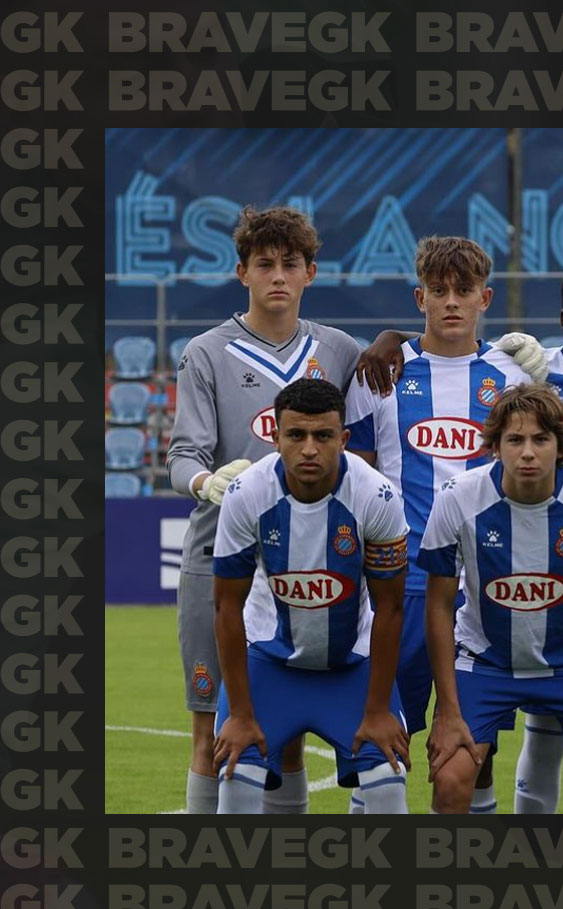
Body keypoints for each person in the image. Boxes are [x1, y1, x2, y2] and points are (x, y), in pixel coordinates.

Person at [166, 205, 367, 814]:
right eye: (264, 264)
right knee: (212, 731)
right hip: (219, 558)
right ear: (242, 272)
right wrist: (206, 482)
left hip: (310, 564)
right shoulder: (206, 352)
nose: (277, 275)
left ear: (311, 272)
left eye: (290, 264)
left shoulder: (339, 350)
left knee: (289, 736)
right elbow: (180, 456)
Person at [344, 235, 533, 813]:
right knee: (380, 729)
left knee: (476, 743)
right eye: (440, 291)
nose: (452, 302)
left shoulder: (512, 377)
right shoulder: (382, 371)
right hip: (399, 579)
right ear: (419, 297)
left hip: (482, 579)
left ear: (486, 299)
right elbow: (357, 475)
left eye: (465, 291)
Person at [420, 384, 563, 814]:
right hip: (483, 660)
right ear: (495, 446)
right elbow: (439, 604)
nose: (527, 453)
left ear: (561, 446)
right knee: (450, 777)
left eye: (540, 439)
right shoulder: (457, 498)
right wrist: (446, 710)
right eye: (514, 440)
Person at [209, 379, 412, 814]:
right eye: (295, 435)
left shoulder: (377, 496)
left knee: (388, 783)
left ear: (344, 439)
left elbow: (391, 607)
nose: (308, 449)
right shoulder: (246, 494)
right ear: (276, 437)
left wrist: (378, 710)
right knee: (235, 782)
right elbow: (227, 608)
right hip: (269, 663)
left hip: (351, 669)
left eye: (322, 436)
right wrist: (240, 715)